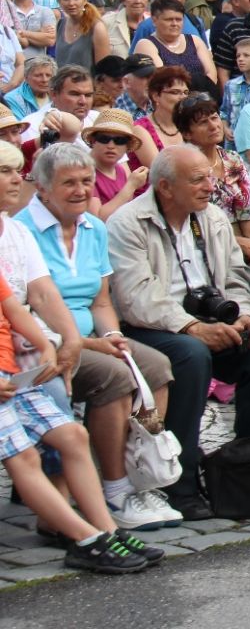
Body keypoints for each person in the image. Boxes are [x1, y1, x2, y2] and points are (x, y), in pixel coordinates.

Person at [9, 143, 179, 531]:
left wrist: (113, 335)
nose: (81, 190)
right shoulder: (25, 230)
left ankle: (139, 476)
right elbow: (29, 306)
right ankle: (115, 490)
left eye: (87, 181)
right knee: (113, 375)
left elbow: (101, 300)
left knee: (156, 367)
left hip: (87, 334)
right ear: (43, 189)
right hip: (40, 342)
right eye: (68, 183)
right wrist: (86, 344)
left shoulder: (93, 228)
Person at [107, 145, 250, 520]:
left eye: (210, 177)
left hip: (207, 321)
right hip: (149, 326)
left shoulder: (213, 218)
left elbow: (235, 277)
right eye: (198, 179)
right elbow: (136, 297)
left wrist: (244, 315)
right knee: (191, 355)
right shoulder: (128, 223)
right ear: (166, 187)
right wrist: (191, 327)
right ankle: (179, 483)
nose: (210, 186)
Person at [0, 306, 166, 573]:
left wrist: (45, 345)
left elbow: (15, 310)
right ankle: (86, 540)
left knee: (74, 436)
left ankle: (107, 531)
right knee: (23, 458)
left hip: (11, 376)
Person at [176, 93, 250, 263]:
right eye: (203, 122)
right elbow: (189, 224)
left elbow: (247, 210)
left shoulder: (232, 159)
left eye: (214, 118)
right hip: (206, 249)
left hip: (244, 245)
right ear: (187, 133)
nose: (213, 126)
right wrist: (239, 243)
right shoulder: (182, 166)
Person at [87, 108, 150, 220]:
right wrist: (131, 185)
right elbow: (97, 219)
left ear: (128, 146)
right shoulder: (84, 172)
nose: (111, 146)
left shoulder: (120, 170)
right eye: (104, 139)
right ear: (93, 140)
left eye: (119, 141)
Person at [132, 66, 192, 167]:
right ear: (156, 96)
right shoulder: (140, 129)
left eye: (185, 93)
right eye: (175, 92)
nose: (183, 97)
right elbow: (159, 170)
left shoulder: (188, 124)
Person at [53, 0, 109, 72]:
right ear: (59, 1)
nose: (71, 3)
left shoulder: (97, 28)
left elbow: (103, 71)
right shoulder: (60, 24)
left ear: (85, 0)